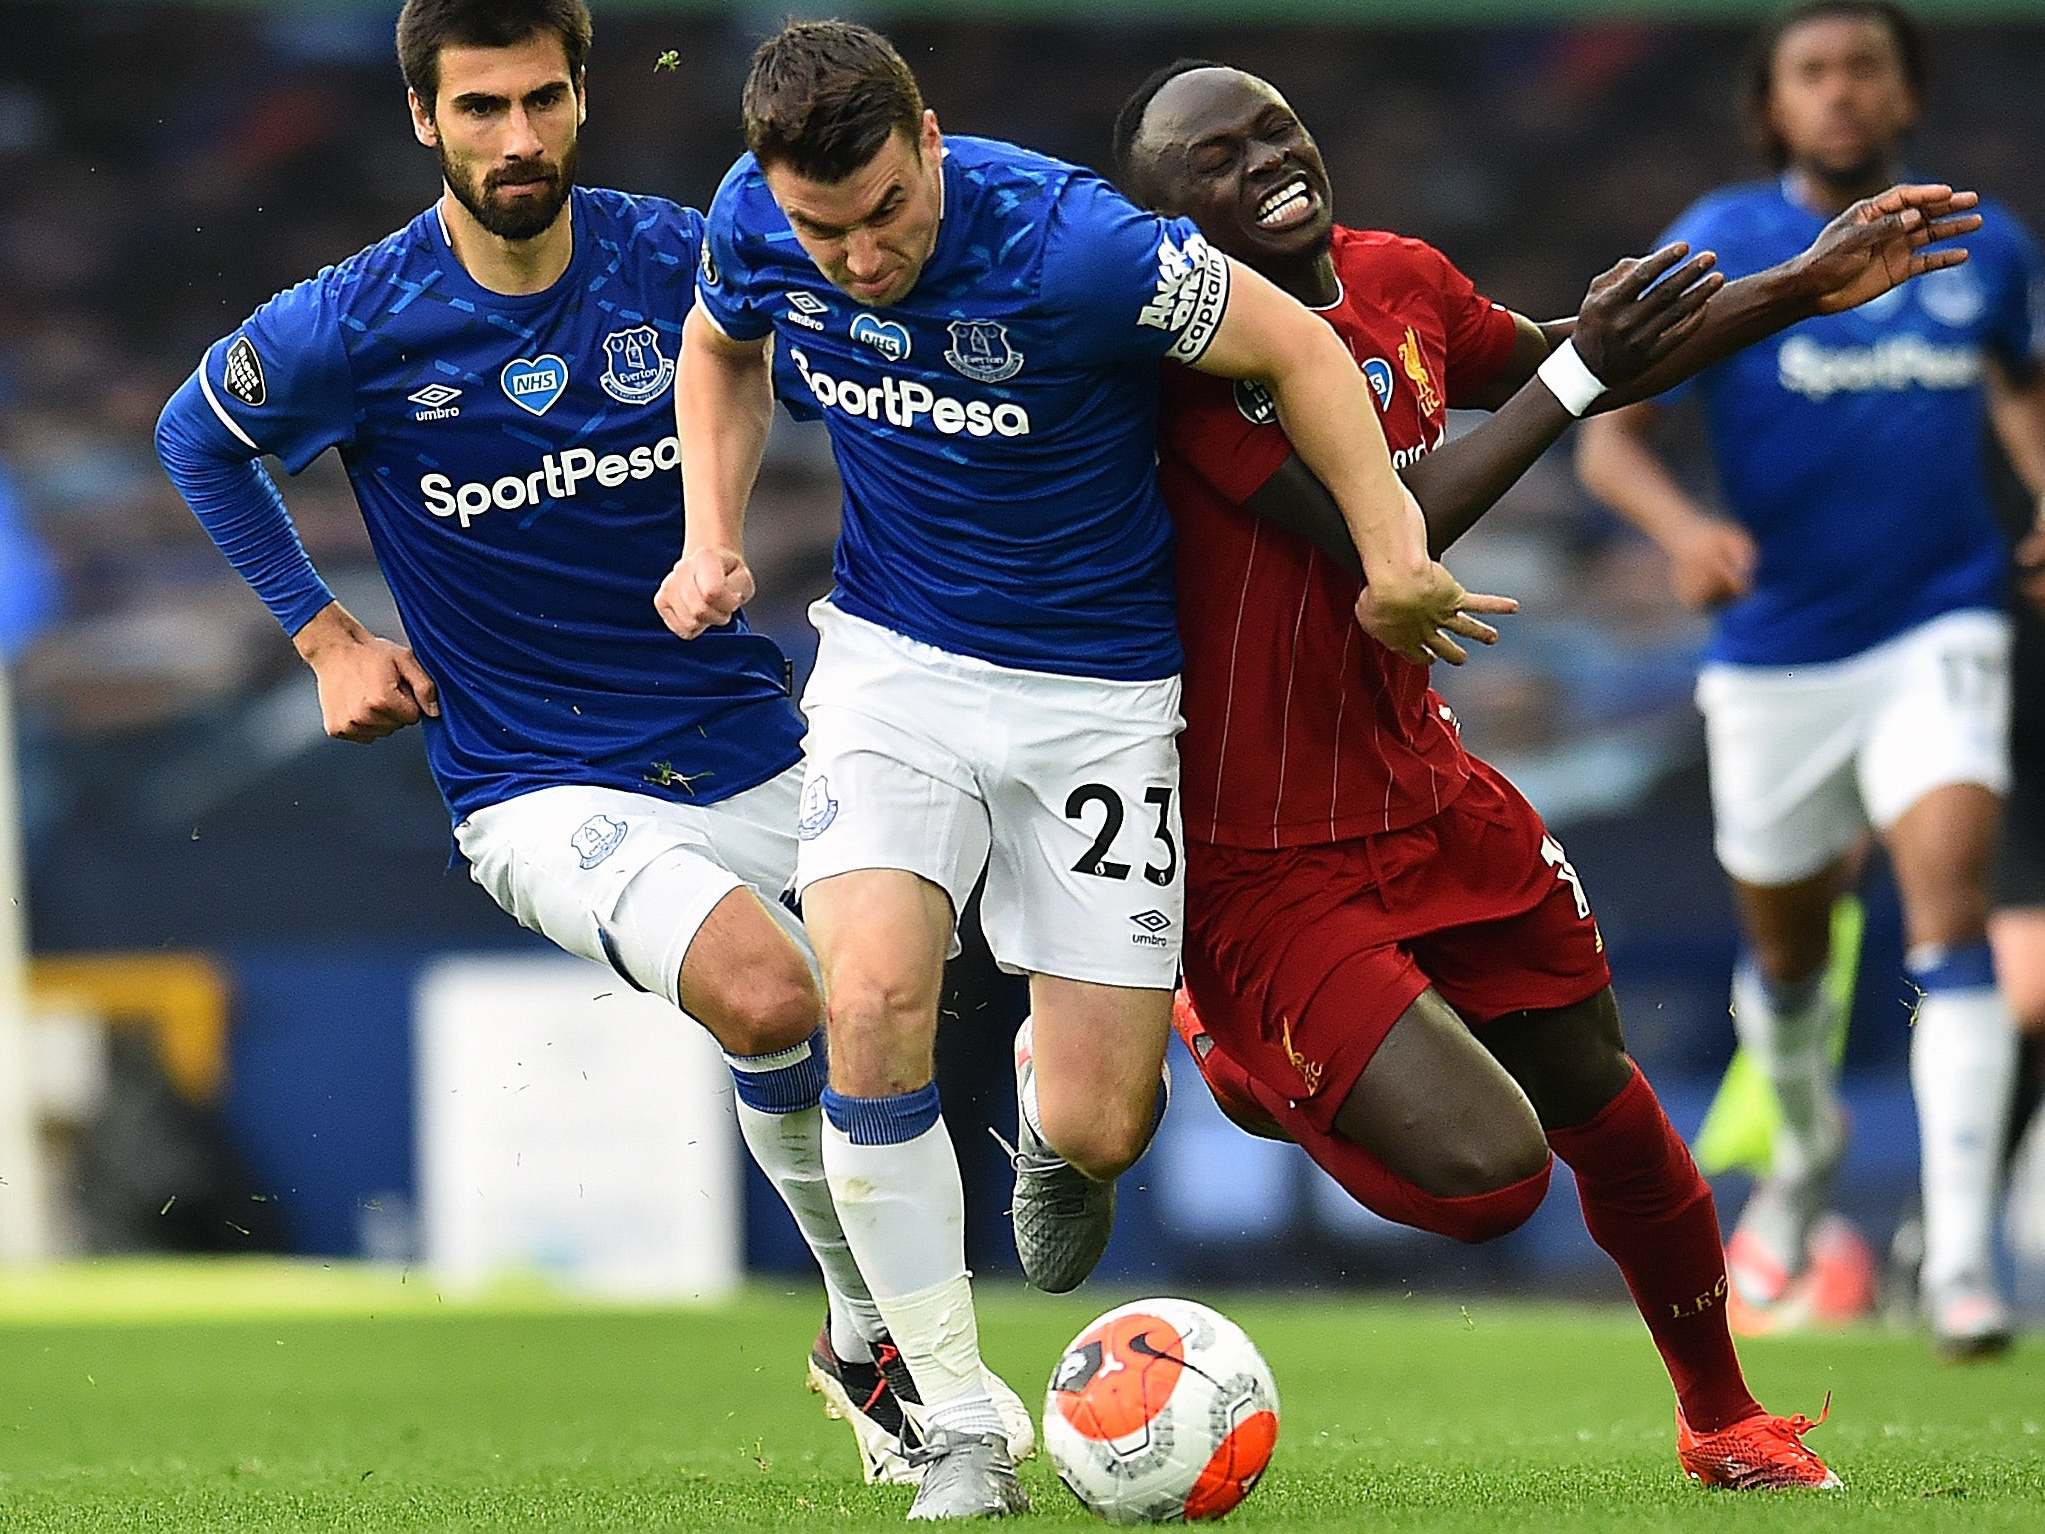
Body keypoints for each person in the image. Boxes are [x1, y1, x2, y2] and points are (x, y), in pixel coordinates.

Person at [149, 0, 1034, 1488]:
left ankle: (853, 1335)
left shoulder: (680, 256)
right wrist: (326, 635)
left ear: (580, 96)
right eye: (480, 108)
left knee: (941, 983)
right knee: (772, 994)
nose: (517, 137)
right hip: (535, 783)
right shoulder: (357, 318)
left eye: (541, 100)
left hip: (750, 738)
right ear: (423, 119)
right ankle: (904, 1357)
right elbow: (197, 436)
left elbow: (856, 345)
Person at [660, 18, 1505, 1519]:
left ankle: (1052, 1105)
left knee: (1107, 1125)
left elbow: (1299, 346)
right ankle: (952, 1427)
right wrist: (708, 535)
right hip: (895, 668)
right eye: (824, 232)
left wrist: (1390, 551)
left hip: (1098, 698)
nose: (859, 258)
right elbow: (721, 346)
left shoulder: (1081, 247)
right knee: (868, 1002)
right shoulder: (751, 218)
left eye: (885, 214)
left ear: (930, 143)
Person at [1114, 58, 1977, 1490]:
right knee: (1493, 1184)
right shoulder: (1183, 362)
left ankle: (1724, 1422)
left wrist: (1798, 288)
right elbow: (1387, 526)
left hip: (1429, 794)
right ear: (1164, 220)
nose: (1264, 159)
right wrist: (1579, 379)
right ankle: (1235, 1043)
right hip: (1262, 851)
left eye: (1275, 128)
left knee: (1605, 1100)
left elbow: (1576, 353)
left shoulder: (1399, 279)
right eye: (1214, 159)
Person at [1575, 0, 2045, 1357]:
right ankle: (1805, 1158)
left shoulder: (1981, 243)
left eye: (1864, 69)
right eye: (1813, 72)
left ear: (1905, 96)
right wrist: (1683, 532)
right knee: (1784, 958)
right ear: (1772, 106)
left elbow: (2022, 385)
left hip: (1940, 629)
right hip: (1774, 654)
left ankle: (1962, 1258)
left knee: (1949, 915)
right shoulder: (1720, 241)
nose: (1841, 92)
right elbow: (1610, 434)